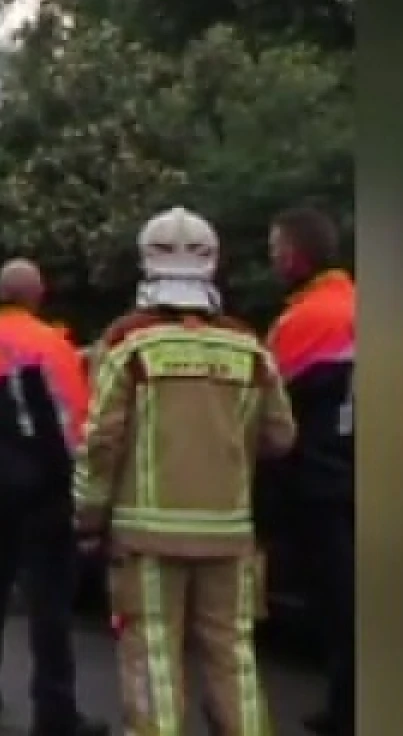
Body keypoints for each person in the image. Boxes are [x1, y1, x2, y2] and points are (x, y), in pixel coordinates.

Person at [74, 207, 296, 736]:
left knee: (154, 655)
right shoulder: (249, 347)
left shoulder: (129, 343)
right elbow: (281, 437)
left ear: (146, 265)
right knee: (233, 655)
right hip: (229, 533)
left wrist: (87, 516)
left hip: (147, 538)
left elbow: (100, 442)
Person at [0, 259, 107, 736]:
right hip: (42, 493)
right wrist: (78, 485)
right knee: (49, 603)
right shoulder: (47, 344)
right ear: (36, 295)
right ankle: (54, 712)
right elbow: (75, 424)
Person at [265, 207, 356, 735]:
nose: (273, 257)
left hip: (321, 483)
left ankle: (348, 711)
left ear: (297, 256)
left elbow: (267, 406)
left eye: (277, 248)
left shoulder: (306, 321)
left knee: (340, 605)